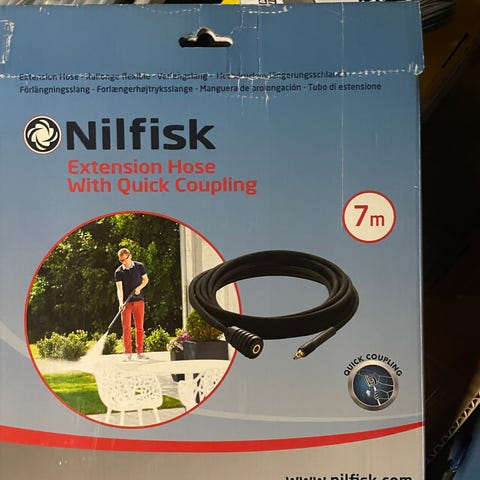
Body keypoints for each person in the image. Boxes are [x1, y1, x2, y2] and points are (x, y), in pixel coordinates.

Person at [115, 248, 149, 360]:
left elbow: (145, 280)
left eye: (125, 259)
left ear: (130, 256)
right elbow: (119, 289)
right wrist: (121, 303)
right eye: (121, 260)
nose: (123, 262)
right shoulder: (119, 272)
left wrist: (139, 288)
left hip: (139, 301)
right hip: (126, 304)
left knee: (139, 327)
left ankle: (140, 352)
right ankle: (128, 354)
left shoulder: (139, 266)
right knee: (126, 328)